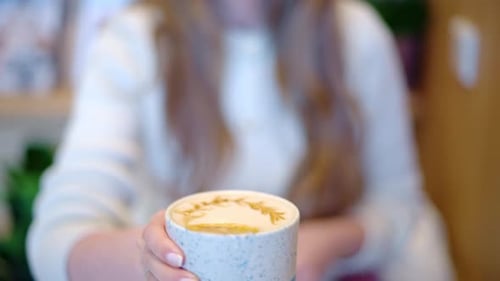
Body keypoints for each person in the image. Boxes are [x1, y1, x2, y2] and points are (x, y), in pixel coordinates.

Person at [27, 0, 455, 280]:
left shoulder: (356, 36)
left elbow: (399, 203)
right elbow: (57, 239)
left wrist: (329, 241)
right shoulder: (134, 40)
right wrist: (147, 260)